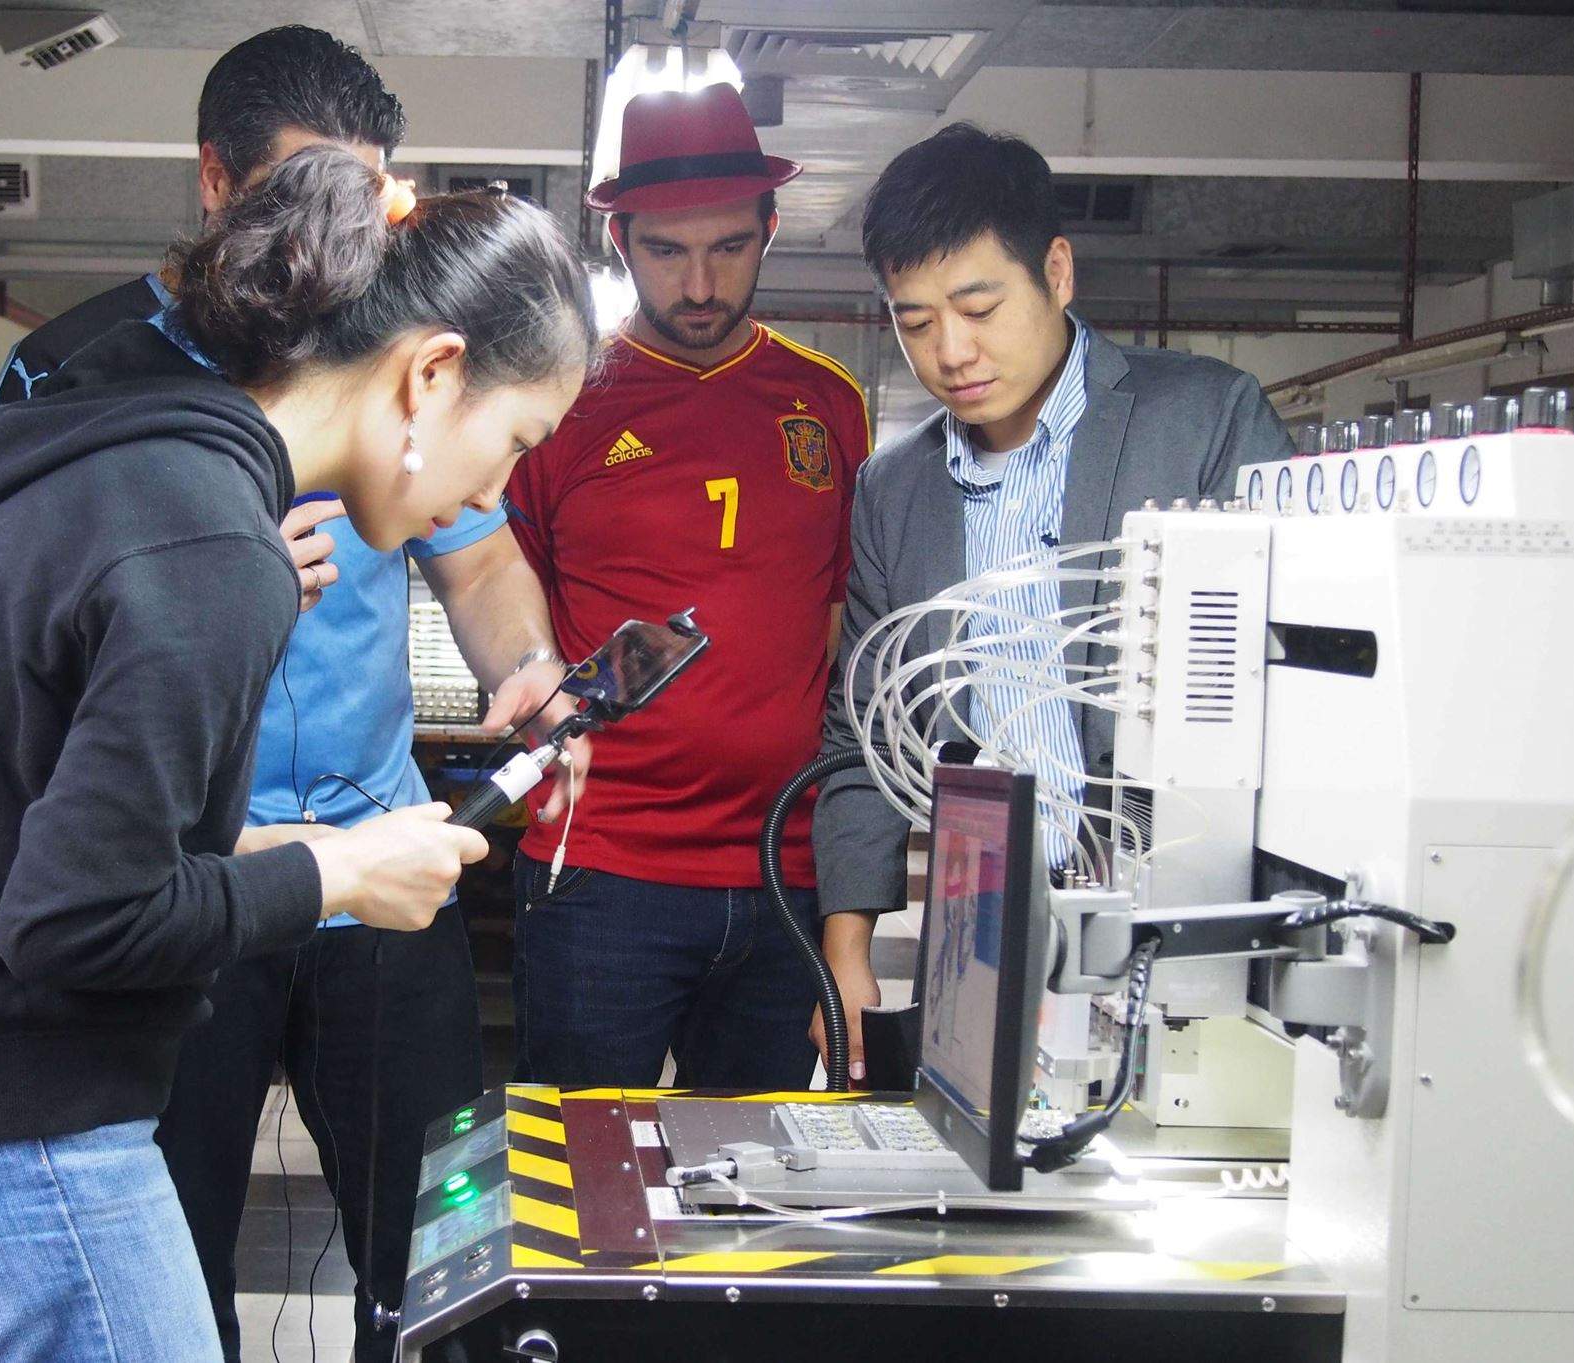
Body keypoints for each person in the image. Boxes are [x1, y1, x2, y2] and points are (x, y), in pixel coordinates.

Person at [0, 144, 598, 1363]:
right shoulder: (215, 548)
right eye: (518, 439)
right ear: (432, 372)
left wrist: (281, 846)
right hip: (0, 1136)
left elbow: (45, 833)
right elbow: (75, 919)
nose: (497, 491)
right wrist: (336, 875)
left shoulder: (140, 460)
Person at [0, 30, 586, 1361]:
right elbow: (20, 645)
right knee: (170, 1257)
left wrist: (527, 666)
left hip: (380, 855)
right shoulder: (80, 371)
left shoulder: (388, 349)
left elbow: (481, 558)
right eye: (302, 193)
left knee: (442, 1254)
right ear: (216, 182)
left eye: (365, 203)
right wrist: (212, 560)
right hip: (181, 882)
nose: (339, 242)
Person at [811, 123, 1296, 1079]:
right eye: (915, 323)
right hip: (986, 933)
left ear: (1058, 273)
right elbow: (861, 730)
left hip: (1183, 920)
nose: (952, 351)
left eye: (979, 307)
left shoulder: (1204, 420)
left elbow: (1302, 684)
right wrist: (846, 947)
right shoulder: (894, 490)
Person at [504, 83, 870, 1090]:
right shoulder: (563, 405)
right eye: (667, 251)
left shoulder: (829, 404)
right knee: (577, 1165)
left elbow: (838, 637)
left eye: (730, 247)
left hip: (784, 872)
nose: (700, 284)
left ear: (770, 230)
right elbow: (501, 603)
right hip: (602, 870)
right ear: (619, 240)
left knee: (752, 1172)